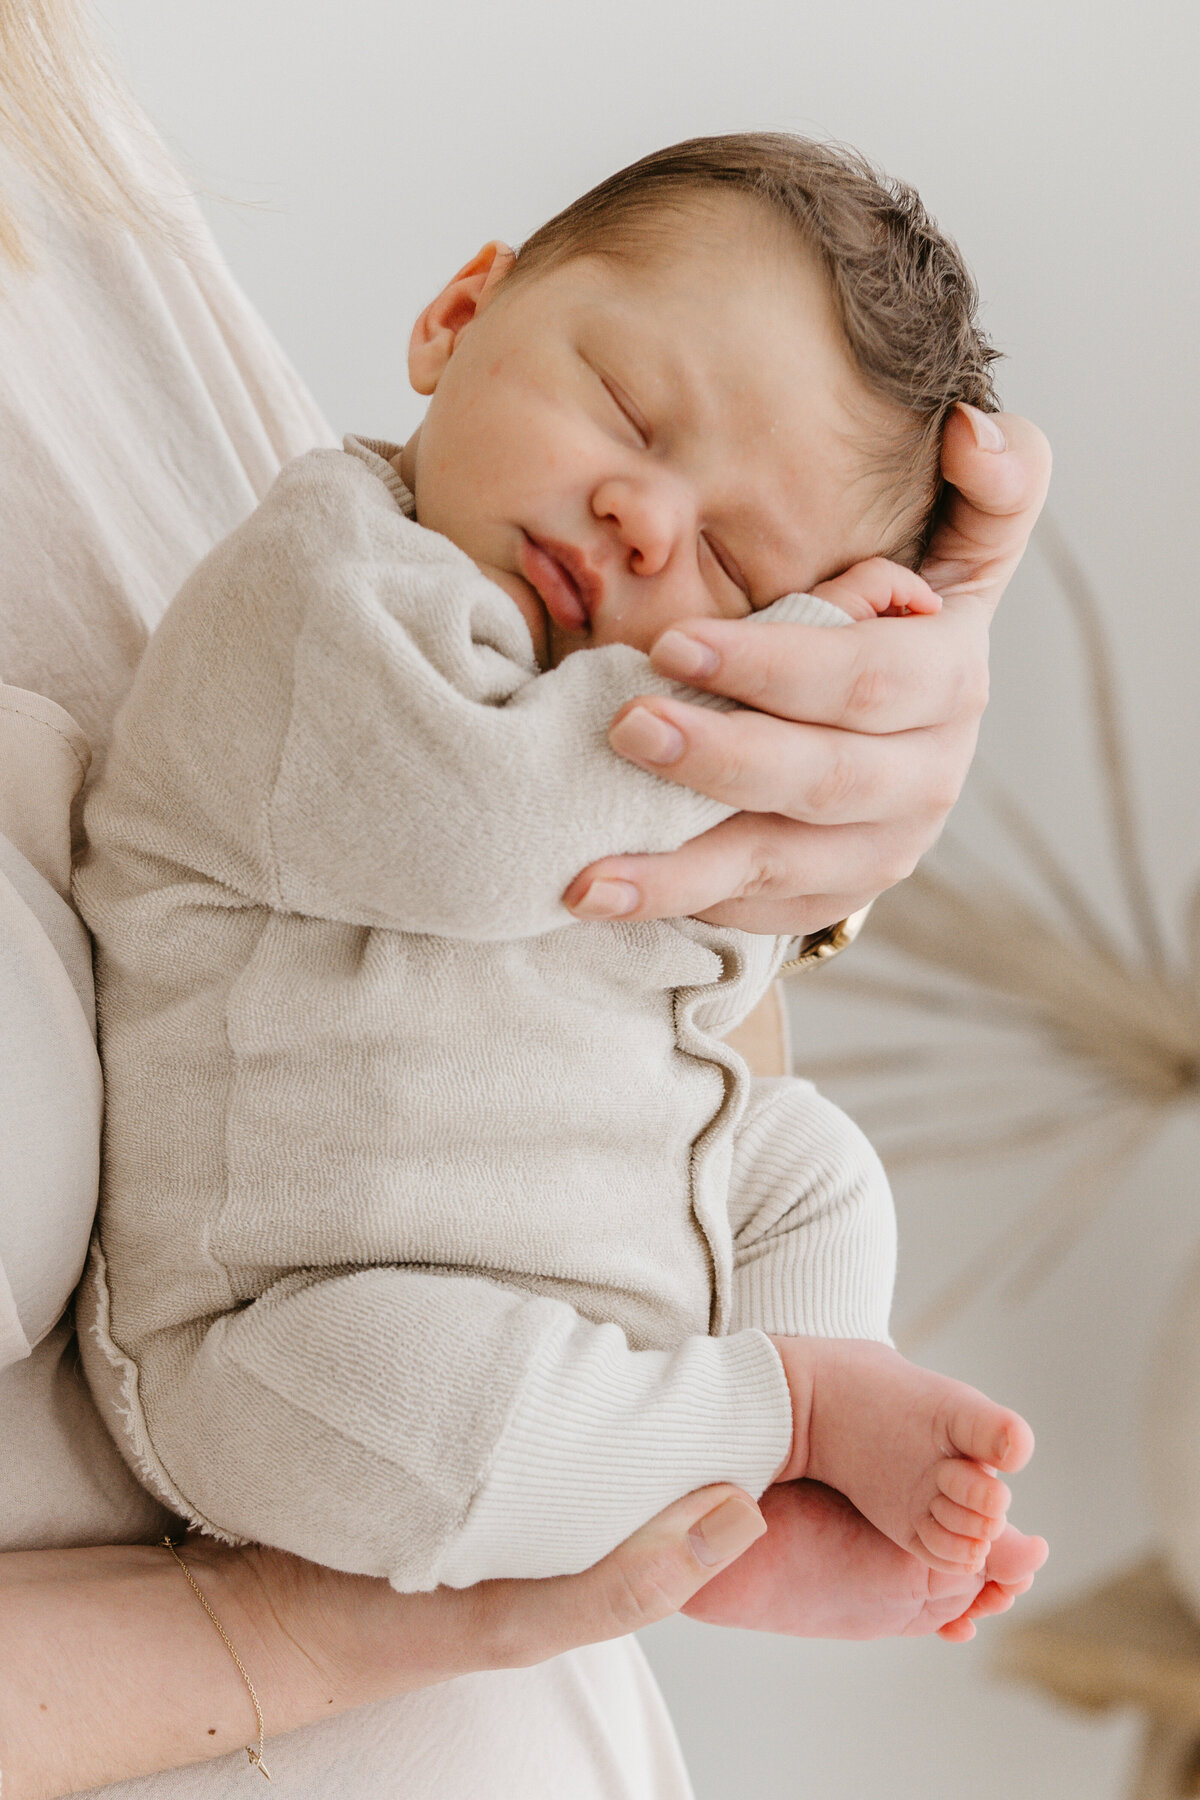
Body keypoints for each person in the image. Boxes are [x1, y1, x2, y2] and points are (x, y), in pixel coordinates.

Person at [0, 13, 1051, 1794]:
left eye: (735, 558)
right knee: (429, 1430)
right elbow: (495, 825)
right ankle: (760, 1424)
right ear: (453, 319)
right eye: (631, 414)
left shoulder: (64, 165)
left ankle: (780, 1406)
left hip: (538, 1251)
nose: (648, 525)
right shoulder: (336, 583)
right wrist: (777, 668)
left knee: (809, 1166)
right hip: (284, 1324)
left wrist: (838, 794)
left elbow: (691, 1015)